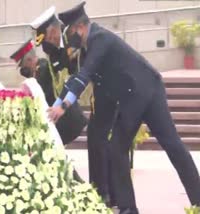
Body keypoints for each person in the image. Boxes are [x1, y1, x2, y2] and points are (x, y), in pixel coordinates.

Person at [47, 2, 200, 214]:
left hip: (149, 90)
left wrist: (63, 106)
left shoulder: (100, 39)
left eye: (70, 31)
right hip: (130, 99)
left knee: (172, 145)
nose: (69, 37)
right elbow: (76, 78)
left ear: (80, 28)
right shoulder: (87, 47)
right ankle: (128, 207)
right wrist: (55, 105)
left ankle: (199, 200)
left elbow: (85, 74)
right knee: (116, 148)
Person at [31, 4, 116, 206]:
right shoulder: (53, 50)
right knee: (95, 142)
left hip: (107, 90)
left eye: (48, 35)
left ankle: (106, 194)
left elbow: (79, 73)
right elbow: (64, 79)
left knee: (103, 144)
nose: (48, 41)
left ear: (53, 30)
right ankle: (99, 192)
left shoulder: (73, 38)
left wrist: (63, 104)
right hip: (92, 96)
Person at [10, 39, 87, 146]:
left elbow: (40, 98)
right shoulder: (39, 70)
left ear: (29, 60)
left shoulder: (43, 69)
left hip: (67, 120)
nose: (23, 70)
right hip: (62, 119)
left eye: (23, 66)